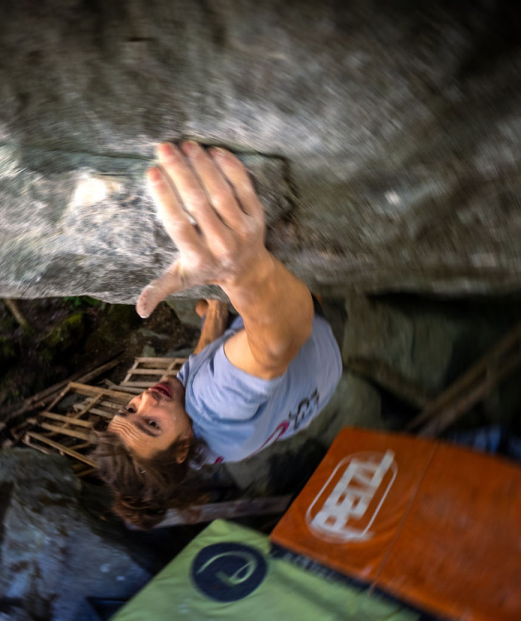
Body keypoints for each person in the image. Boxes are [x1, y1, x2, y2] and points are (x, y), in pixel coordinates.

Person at [94, 141, 342, 528]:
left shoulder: (194, 452)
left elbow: (201, 365)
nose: (146, 400)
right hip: (306, 328)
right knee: (285, 297)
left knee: (212, 313)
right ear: (180, 450)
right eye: (151, 424)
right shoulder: (214, 401)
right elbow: (276, 345)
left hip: (320, 375)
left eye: (129, 410)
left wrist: (216, 310)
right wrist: (241, 269)